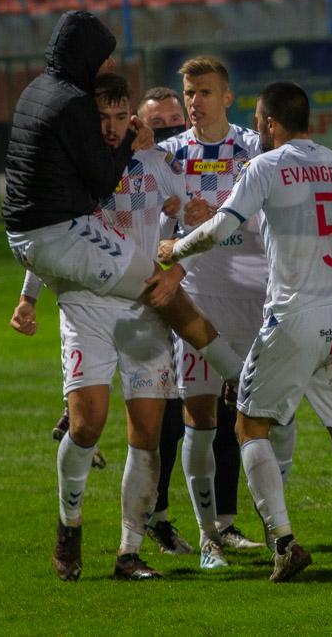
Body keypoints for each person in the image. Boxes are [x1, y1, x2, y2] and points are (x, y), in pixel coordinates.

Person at [157, 81, 332, 583]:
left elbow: (221, 228)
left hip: (295, 314)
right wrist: (331, 247)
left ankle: (283, 542)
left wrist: (175, 250)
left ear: (271, 124)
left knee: (249, 426)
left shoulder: (265, 165)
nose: (257, 129)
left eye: (260, 122)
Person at [2, 11, 244, 409]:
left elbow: (188, 216)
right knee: (163, 288)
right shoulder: (77, 112)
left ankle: (232, 377)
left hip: (44, 245)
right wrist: (130, 143)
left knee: (134, 429)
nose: (111, 62)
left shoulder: (38, 91)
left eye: (120, 118)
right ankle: (238, 375)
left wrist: (179, 216)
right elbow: (85, 200)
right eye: (104, 55)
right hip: (82, 272)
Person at [9, 73, 187, 581]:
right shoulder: (72, 166)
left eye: (118, 116)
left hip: (143, 309)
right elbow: (50, 234)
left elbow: (191, 217)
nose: (110, 127)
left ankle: (129, 553)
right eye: (101, 117)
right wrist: (29, 296)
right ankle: (69, 524)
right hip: (85, 306)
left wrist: (178, 266)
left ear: (132, 115)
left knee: (147, 434)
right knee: (87, 425)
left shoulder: (155, 160)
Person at [156, 56, 290, 569]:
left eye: (205, 92)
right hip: (199, 302)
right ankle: (209, 536)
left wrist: (223, 217)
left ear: (228, 97)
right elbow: (152, 224)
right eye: (189, 92)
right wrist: (171, 219)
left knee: (272, 414)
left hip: (257, 299)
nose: (195, 101)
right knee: (201, 416)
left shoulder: (254, 148)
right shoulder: (170, 155)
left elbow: (278, 207)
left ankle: (274, 526)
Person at [136, 86, 194, 556]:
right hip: (147, 297)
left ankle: (217, 523)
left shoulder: (185, 166)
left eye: (177, 121)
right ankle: (152, 517)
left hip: (194, 290)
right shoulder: (127, 168)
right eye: (158, 125)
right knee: (164, 418)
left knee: (202, 415)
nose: (171, 131)